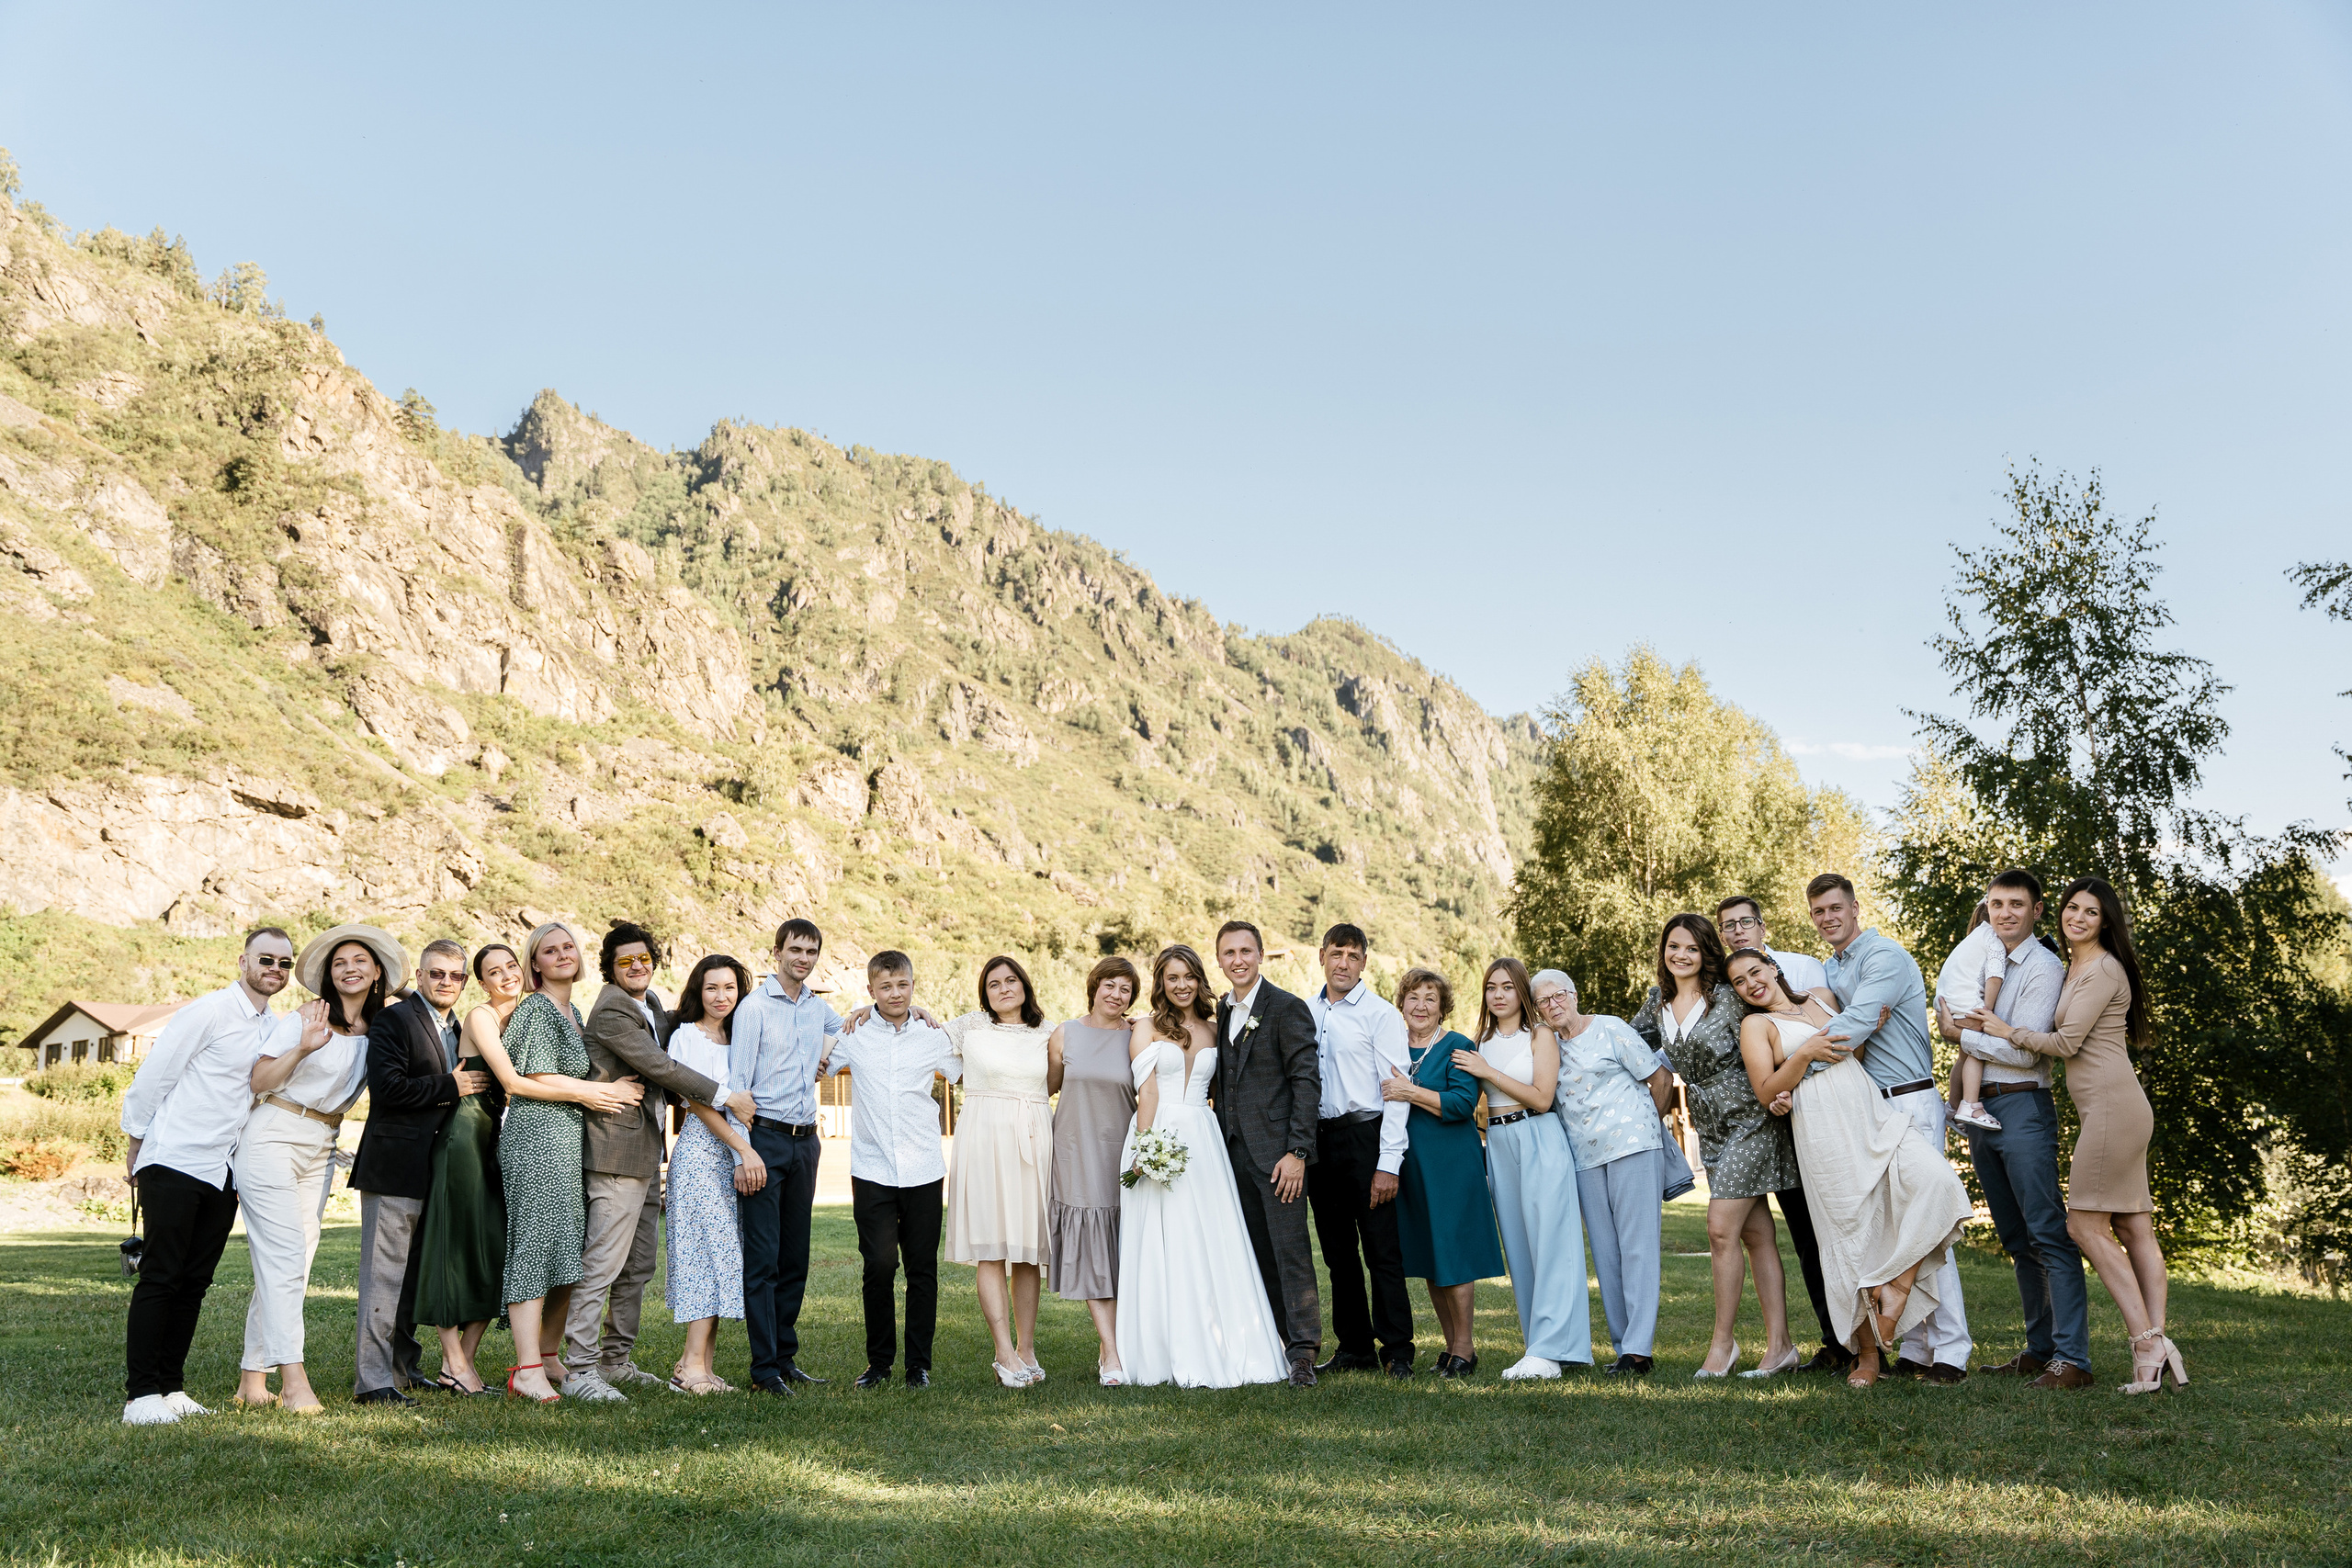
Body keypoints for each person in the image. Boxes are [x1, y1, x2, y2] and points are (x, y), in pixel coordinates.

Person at [1964, 875, 2179, 1393]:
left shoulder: (2102, 968)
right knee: (2133, 1228)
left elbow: (2065, 1041)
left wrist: (2001, 1028)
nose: (2077, 918)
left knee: (2083, 1227)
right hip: (2110, 1106)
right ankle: (2157, 1350)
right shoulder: (2077, 966)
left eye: (2091, 912)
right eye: (2072, 909)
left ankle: (2148, 1341)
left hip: (2112, 1107)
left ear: (2106, 922)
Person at [1731, 947, 1973, 1388]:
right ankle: (1866, 1356)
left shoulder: (1821, 998)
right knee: (1847, 1233)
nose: (1751, 984)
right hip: (1821, 1130)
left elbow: (1852, 1053)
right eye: (1739, 982)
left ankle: (1897, 1284)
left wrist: (1860, 1035)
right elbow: (1767, 1089)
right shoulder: (1755, 1025)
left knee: (1936, 1181)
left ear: (1773, 968)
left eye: (1755, 972)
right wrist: (1803, 1056)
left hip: (1869, 1112)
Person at [119, 927, 300, 1426]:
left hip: (224, 1170)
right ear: (243, 960)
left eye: (285, 964)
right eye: (267, 960)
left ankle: (171, 1388)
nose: (276, 970)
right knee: (161, 1275)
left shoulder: (275, 1026)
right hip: (176, 1156)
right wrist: (136, 1142)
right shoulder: (208, 1012)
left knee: (195, 1281)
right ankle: (140, 1396)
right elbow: (156, 1074)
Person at [563, 922, 750, 1403]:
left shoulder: (648, 1007)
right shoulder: (611, 1012)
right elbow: (661, 1066)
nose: (637, 966)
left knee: (638, 1266)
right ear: (610, 967)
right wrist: (726, 1095)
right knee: (603, 1262)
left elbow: (692, 1027)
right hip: (614, 1151)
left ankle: (616, 1361)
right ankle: (580, 1369)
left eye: (643, 958)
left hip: (647, 1153)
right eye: (626, 960)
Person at [1809, 872, 1982, 1385]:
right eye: (1818, 912)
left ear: (1855, 907)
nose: (1828, 918)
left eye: (1836, 908)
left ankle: (1951, 1349)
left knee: (1925, 1219)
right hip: (1869, 1111)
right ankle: (1917, 1346)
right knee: (1892, 1229)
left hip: (1909, 1100)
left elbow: (1856, 1024)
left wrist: (1791, 1064)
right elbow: (1845, 1024)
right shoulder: (1830, 968)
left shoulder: (1883, 957)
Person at [1631, 915, 1800, 1378]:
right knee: (1756, 1234)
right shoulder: (1657, 1002)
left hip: (1752, 1115)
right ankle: (1781, 1346)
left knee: (1720, 1228)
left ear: (1707, 953)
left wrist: (1784, 1086)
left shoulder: (1728, 997)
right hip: (1710, 1123)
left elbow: (1779, 1031)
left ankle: (1723, 1345)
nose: (1680, 955)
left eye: (1691, 948)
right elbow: (1625, 1045)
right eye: (1673, 946)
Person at [1116, 942, 1289, 1388]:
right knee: (1163, 1238)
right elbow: (1148, 1093)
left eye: (1188, 976)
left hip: (1205, 1139)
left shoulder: (1217, 1029)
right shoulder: (1146, 1028)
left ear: (1199, 980)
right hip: (1158, 1132)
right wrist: (1145, 1149)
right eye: (1172, 978)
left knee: (1211, 1235)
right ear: (1161, 982)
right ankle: (1163, 1347)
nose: (1181, 985)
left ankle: (1227, 1339)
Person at [236, 927, 390, 1412]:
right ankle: (294, 1383)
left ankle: (251, 1382)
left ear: (377, 971)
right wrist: (303, 1047)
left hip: (322, 1144)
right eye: (339, 962)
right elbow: (260, 1079)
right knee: (283, 1259)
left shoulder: (380, 1029)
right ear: (327, 974)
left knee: (293, 1265)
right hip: (274, 1133)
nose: (350, 968)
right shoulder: (305, 1016)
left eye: (361, 960)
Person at [491, 922, 632, 1404]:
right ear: (535, 964)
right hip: (536, 1138)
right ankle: (526, 1368)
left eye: (568, 946)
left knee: (566, 1254)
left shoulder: (572, 1011)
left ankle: (549, 1355)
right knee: (534, 1250)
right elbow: (532, 1076)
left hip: (569, 1141)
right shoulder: (535, 1009)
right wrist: (601, 1092)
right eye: (549, 951)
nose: (562, 955)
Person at [819, 952, 960, 1389]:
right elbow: (820, 1059)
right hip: (872, 1168)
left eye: (903, 985)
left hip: (923, 1168)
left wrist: (936, 1019)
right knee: (878, 1266)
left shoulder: (933, 1034)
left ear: (913, 985)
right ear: (871, 991)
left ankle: (918, 1366)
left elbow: (965, 1069)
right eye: (886, 987)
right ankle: (878, 1364)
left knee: (922, 1269)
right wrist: (849, 1016)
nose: (895, 994)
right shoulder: (854, 1032)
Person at [345, 931, 474, 1407]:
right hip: (393, 1166)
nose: (445, 981)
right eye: (436, 973)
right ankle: (372, 1382)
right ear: (419, 975)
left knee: (413, 1277)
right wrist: (451, 1084)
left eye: (455, 975)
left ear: (463, 982)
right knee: (383, 1276)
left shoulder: (460, 1028)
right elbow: (390, 1090)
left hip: (440, 1173)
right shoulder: (394, 1020)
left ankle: (404, 1366)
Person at [1715, 894, 1843, 1373]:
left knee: (1844, 1228)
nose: (1736, 930)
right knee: (1808, 1237)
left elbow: (1841, 1034)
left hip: (1840, 1115)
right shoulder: (1728, 990)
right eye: (1727, 926)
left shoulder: (1808, 972)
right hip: (1781, 1121)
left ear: (1762, 929)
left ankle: (1876, 1338)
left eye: (1744, 922)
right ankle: (1837, 1340)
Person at [1456, 957, 1589, 1379]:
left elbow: (1543, 1097)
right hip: (1497, 1142)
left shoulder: (1541, 1035)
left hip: (1538, 1135)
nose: (1498, 994)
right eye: (1491, 987)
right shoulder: (1480, 1040)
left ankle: (1553, 1348)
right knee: (1518, 1245)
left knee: (1552, 1241)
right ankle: (1539, 1346)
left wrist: (1487, 1071)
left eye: (1507, 987)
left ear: (1521, 992)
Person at [726, 919, 843, 1395]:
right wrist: (743, 1151)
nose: (804, 958)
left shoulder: (820, 1010)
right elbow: (738, 1081)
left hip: (806, 1141)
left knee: (795, 1256)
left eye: (811, 951)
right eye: (796, 949)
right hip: (765, 1139)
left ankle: (786, 1357)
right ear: (776, 952)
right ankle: (763, 1370)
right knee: (763, 1260)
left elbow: (856, 1032)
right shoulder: (753, 1008)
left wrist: (826, 1059)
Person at [1535, 969, 1672, 1376]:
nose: (1553, 1005)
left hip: (1632, 1146)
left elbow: (1659, 1078)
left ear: (1573, 995)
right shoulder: (1548, 1047)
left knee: (1638, 1248)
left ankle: (1639, 1350)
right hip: (1584, 1157)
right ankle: (1623, 1347)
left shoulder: (1611, 1028)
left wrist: (1647, 1126)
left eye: (1558, 995)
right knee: (1606, 1253)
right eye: (1543, 1001)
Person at [1211, 920, 1325, 1385]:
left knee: (1290, 1251)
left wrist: (1297, 1150)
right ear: (1218, 960)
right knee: (1252, 1252)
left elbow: (1306, 1081)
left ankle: (1303, 1353)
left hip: (1279, 1156)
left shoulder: (1286, 1007)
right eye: (1228, 953)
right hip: (1230, 1153)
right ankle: (1272, 1340)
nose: (1237, 960)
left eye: (1245, 951)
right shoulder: (1218, 1011)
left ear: (1260, 955)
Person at [1377, 967, 1502, 1378]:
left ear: (1442, 1007)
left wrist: (1410, 1092)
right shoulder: (1391, 1046)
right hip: (1410, 1167)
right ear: (1402, 1004)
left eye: (1430, 998)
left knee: (1454, 1254)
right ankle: (1449, 1348)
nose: (1421, 1006)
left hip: (1451, 1165)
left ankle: (1465, 1348)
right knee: (1431, 1255)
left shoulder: (1457, 1047)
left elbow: (1462, 1104)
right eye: (1413, 997)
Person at [1304, 923, 1414, 1378]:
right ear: (1323, 957)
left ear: (1364, 962)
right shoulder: (1303, 1012)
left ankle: (1397, 1351)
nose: (1343, 962)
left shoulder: (1381, 1015)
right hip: (1319, 1143)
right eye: (1336, 953)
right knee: (1337, 1253)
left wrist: (1388, 1163)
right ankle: (1354, 1348)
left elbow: (1397, 1092)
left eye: (1353, 955)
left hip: (1365, 1138)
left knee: (1381, 1250)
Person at [940, 955, 1055, 1385]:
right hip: (983, 1137)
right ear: (984, 993)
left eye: (1011, 980)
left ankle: (1026, 1347)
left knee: (1027, 1251)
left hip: (1032, 1137)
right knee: (991, 1246)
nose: (1004, 988)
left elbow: (1059, 1078)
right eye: (994, 984)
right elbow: (921, 1038)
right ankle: (1003, 1351)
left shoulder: (1049, 1032)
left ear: (1025, 985)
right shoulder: (970, 1026)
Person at [415, 942, 515, 1395]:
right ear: (482, 983)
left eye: (511, 966)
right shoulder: (481, 1016)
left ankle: (461, 1366)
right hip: (464, 1135)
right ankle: (454, 1359)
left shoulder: (528, 1015)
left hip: (494, 1138)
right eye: (494, 971)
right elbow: (512, 1080)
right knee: (453, 1245)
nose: (506, 976)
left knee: (494, 1250)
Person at [664, 953, 764, 1395]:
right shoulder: (687, 1037)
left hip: (736, 1155)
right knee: (707, 1254)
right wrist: (742, 1147)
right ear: (697, 992)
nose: (721, 996)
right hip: (705, 1152)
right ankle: (690, 1368)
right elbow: (698, 1102)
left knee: (727, 1257)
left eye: (729, 988)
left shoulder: (742, 1037)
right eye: (711, 988)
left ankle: (701, 1363)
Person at [1046, 955, 1141, 1384]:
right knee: (1095, 1254)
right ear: (1094, 986)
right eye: (1110, 985)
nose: (1116, 995)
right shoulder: (1066, 1033)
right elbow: (1045, 1087)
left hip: (1125, 1155)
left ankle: (1124, 1347)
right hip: (1074, 1154)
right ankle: (1112, 1353)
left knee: (1128, 1253)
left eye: (1125, 989)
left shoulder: (1140, 1034)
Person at [1937, 902, 2009, 1131]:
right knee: (1978, 1047)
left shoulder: (1975, 938)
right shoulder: (1993, 940)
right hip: (1964, 1003)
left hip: (1947, 1001)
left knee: (1964, 1055)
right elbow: (1995, 975)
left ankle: (1952, 1107)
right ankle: (1971, 1106)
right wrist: (1986, 1011)